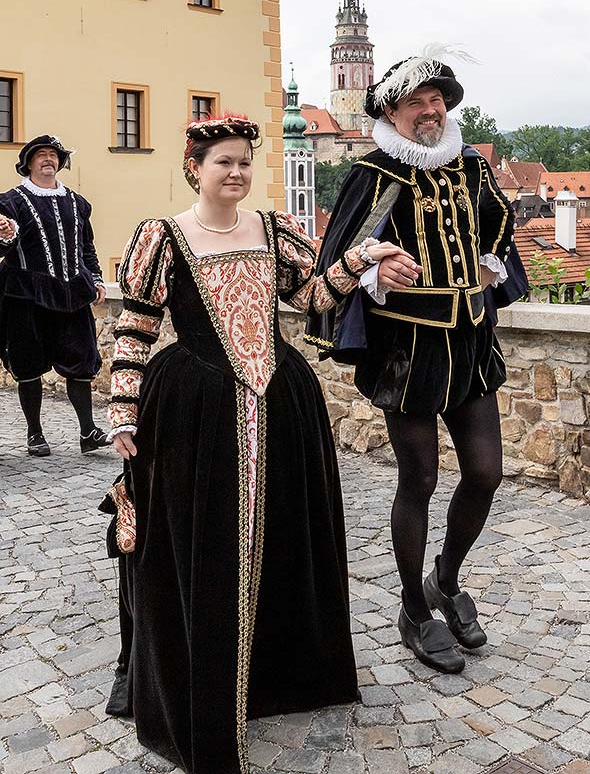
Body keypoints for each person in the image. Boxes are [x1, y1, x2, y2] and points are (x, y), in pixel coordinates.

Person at [103, 115, 415, 774]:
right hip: (194, 409)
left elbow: (308, 296)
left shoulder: (274, 230)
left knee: (279, 535)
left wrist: (360, 260)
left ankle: (273, 676)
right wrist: (125, 412)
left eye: (245, 161)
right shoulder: (163, 237)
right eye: (223, 162)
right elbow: (133, 326)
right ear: (196, 168)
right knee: (206, 543)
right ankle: (199, 680)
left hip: (280, 402)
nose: (237, 173)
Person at [306, 47, 520, 675]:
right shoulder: (375, 174)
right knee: (419, 480)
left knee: (485, 473)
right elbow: (343, 251)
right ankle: (412, 611)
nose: (430, 111)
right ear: (392, 112)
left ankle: (444, 580)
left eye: (437, 101)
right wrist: (377, 265)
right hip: (409, 349)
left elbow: (498, 228)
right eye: (416, 102)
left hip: (472, 342)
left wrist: (490, 261)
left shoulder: (472, 169)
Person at [0, 135, 109, 456]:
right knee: (28, 365)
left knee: (81, 361)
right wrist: (6, 234)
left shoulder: (76, 202)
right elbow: (3, 247)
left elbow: (86, 246)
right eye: (41, 155)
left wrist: (97, 277)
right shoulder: (11, 202)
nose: (49, 159)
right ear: (29, 163)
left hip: (72, 295)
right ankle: (35, 434)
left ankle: (88, 431)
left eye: (54, 155)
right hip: (26, 296)